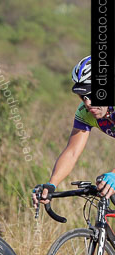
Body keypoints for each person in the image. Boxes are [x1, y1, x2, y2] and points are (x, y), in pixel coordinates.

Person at [34, 56, 115, 205]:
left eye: (92, 94)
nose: (88, 103)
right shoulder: (85, 112)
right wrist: (52, 184)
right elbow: (72, 152)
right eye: (83, 96)